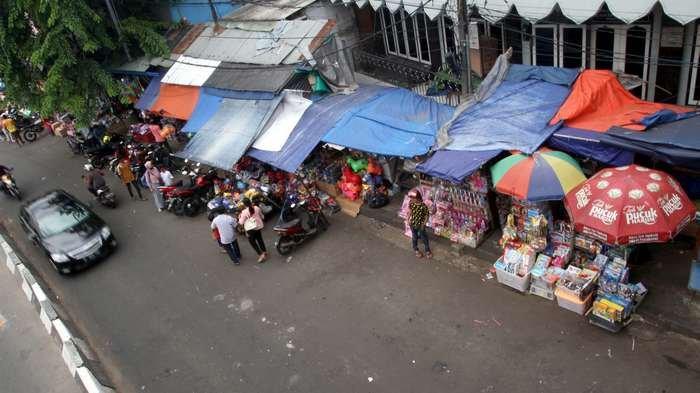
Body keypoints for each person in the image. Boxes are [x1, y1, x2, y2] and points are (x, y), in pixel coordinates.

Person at [238, 198, 267, 263]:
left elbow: (241, 222)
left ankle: (261, 254)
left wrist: (239, 216)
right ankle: (264, 251)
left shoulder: (244, 212)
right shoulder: (256, 208)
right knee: (260, 239)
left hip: (251, 229)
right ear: (250, 202)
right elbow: (262, 216)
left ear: (244, 204)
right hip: (258, 226)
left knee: (252, 242)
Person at [407, 190, 432, 259]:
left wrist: (423, 224)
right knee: (414, 237)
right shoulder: (411, 203)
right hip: (413, 224)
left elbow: (427, 215)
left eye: (413, 198)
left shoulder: (423, 206)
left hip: (420, 225)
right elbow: (410, 211)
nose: (411, 199)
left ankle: (427, 250)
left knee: (424, 237)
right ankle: (416, 249)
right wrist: (408, 219)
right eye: (411, 198)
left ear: (417, 198)